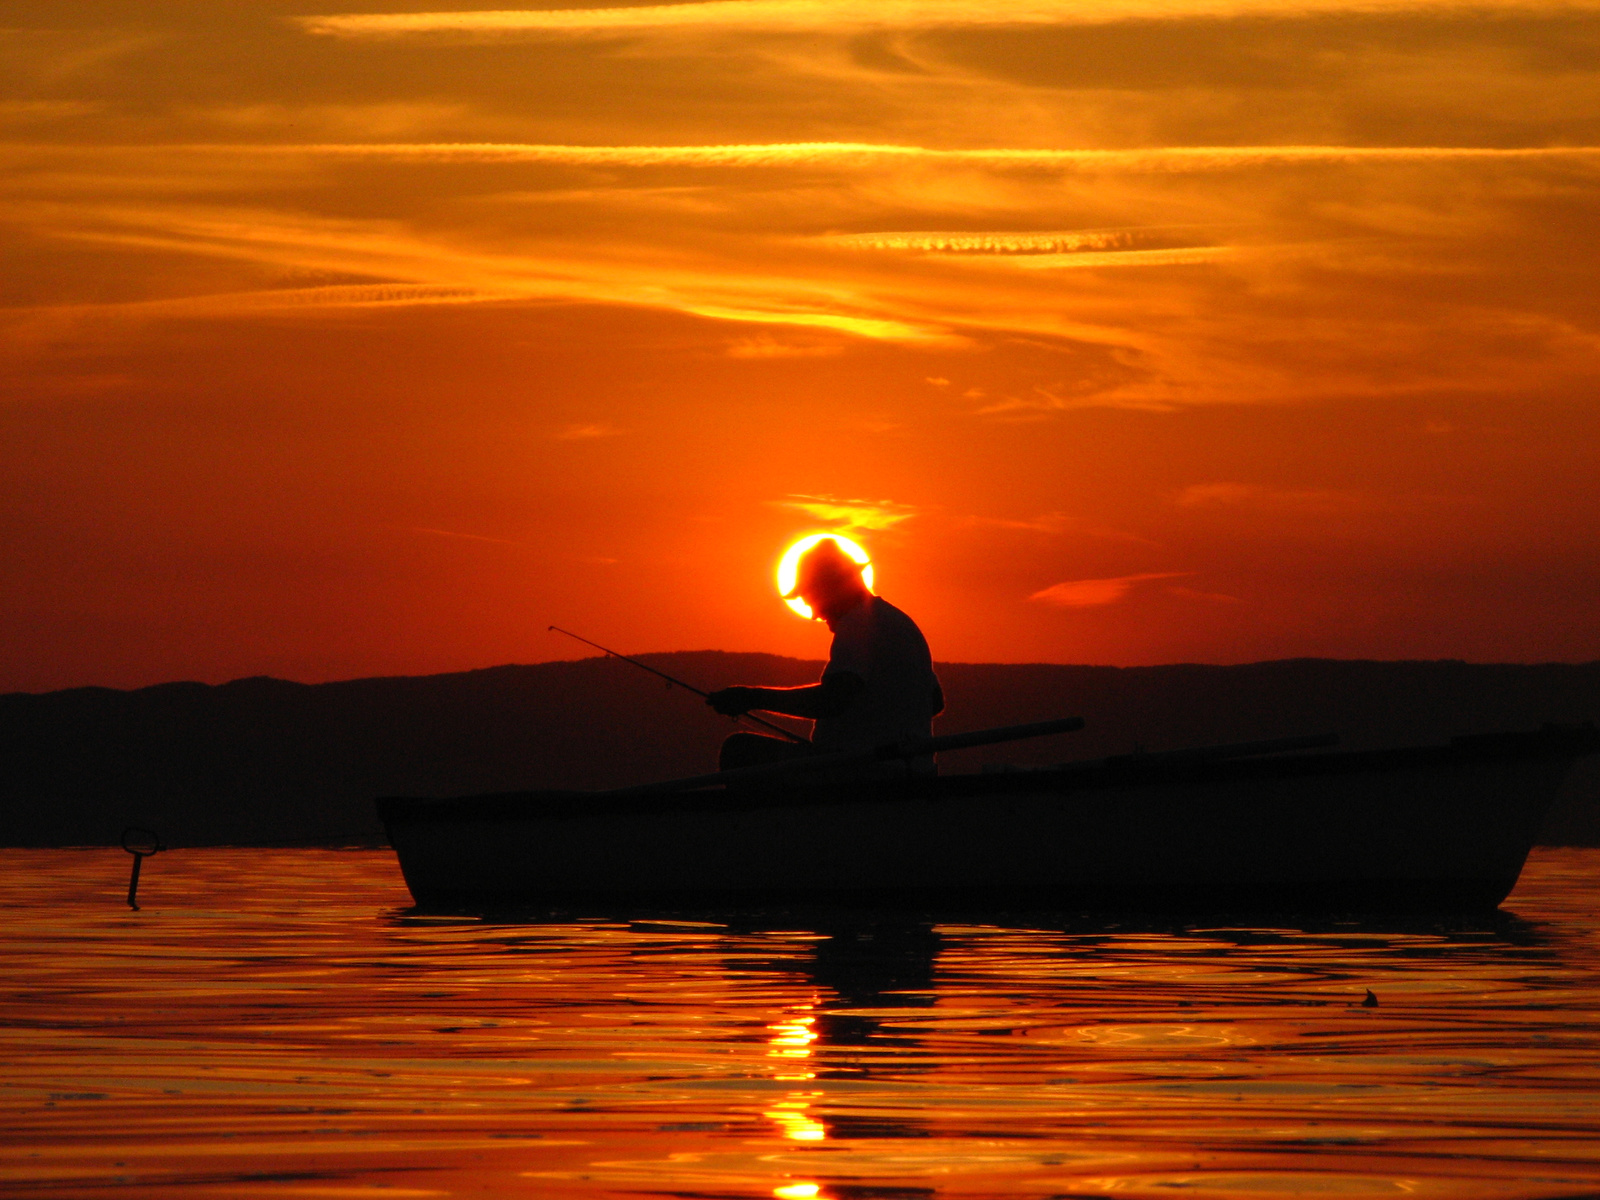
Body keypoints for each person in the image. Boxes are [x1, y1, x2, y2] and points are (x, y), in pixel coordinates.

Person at [706, 537, 944, 776]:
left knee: (740, 750)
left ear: (830, 587)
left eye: (811, 597)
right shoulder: (900, 623)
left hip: (865, 772)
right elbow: (934, 702)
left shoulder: (858, 624)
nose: (813, 614)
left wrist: (752, 697)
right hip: (916, 769)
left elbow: (833, 700)